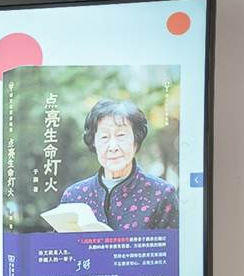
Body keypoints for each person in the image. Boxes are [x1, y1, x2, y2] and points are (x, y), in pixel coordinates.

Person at [60, 99, 179, 230]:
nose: (113, 147)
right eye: (104, 137)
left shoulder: (161, 194)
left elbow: (172, 243)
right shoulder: (74, 196)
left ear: (136, 140)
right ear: (94, 143)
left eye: (121, 135)